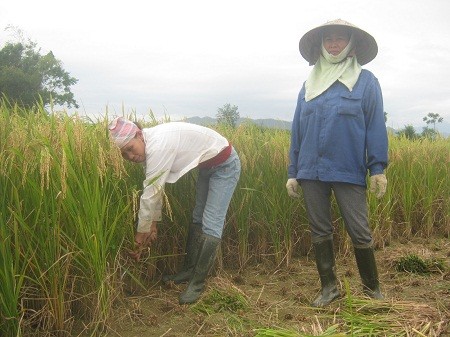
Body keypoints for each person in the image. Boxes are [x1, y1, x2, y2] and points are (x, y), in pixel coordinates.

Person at [286, 19, 388, 307]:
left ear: (351, 45)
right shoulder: (308, 85)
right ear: (321, 45)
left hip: (347, 169)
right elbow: (297, 131)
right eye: (328, 39)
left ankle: (372, 289)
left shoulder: (366, 82)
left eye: (340, 39)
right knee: (319, 230)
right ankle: (329, 288)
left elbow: (375, 127)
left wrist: (377, 168)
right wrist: (293, 172)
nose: (333, 43)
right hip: (310, 171)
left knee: (359, 229)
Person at [109, 117, 241, 304]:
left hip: (225, 165)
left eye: (130, 149)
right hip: (208, 167)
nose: (130, 156)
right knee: (197, 216)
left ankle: (197, 283)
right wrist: (152, 225)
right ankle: (188, 270)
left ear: (139, 135)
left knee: (211, 222)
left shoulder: (158, 145)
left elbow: (151, 193)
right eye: (124, 154)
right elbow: (156, 187)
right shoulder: (149, 147)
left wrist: (141, 233)